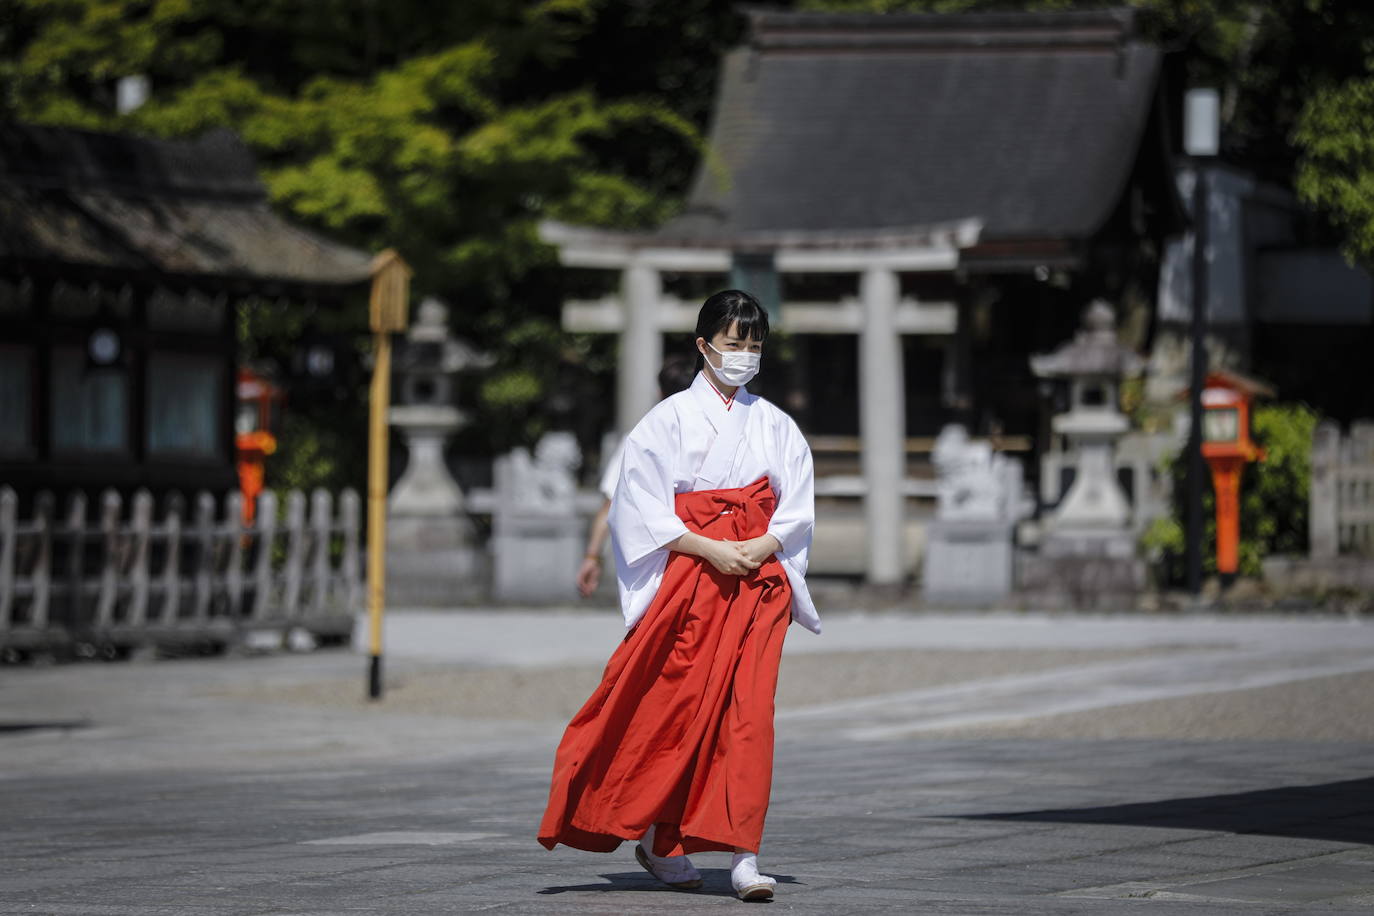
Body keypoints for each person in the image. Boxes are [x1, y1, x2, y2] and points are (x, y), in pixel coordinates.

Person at [538, 290, 819, 901]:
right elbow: (637, 504)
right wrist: (710, 547)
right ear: (703, 346)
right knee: (678, 710)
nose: (743, 355)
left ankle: (744, 854)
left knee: (749, 716)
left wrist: (766, 543)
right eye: (732, 343)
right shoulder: (665, 421)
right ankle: (664, 841)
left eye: (753, 344)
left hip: (757, 583)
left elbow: (797, 503)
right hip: (692, 577)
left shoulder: (776, 424)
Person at [576, 356, 696, 598]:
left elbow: (611, 504)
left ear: (660, 392)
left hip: (656, 561)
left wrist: (592, 556)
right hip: (713, 553)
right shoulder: (725, 435)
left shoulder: (642, 436)